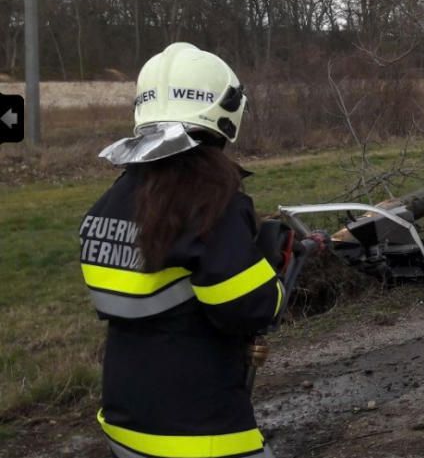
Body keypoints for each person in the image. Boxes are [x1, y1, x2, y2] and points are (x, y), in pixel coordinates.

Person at [81, 42, 282, 458]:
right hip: (201, 433)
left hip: (125, 423)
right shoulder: (211, 200)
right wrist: (271, 266)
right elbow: (251, 309)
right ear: (226, 110)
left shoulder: (118, 195)